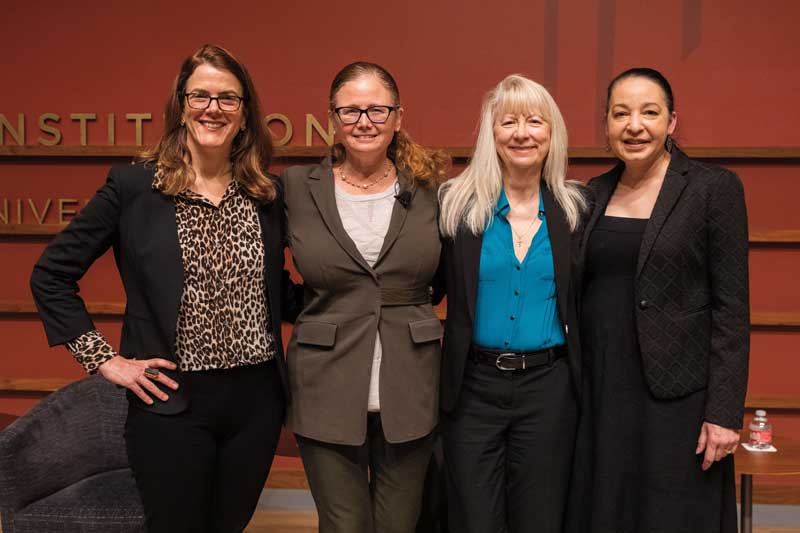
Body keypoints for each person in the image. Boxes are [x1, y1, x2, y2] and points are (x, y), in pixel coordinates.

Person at [30, 44, 289, 533]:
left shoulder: (265, 194)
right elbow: (50, 275)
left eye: (228, 98)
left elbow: (278, 290)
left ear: (245, 112)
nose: (213, 108)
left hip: (256, 403)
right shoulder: (134, 189)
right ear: (181, 105)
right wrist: (103, 360)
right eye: (201, 96)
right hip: (171, 400)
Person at [572, 67, 749, 532]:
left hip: (679, 401)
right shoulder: (591, 194)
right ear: (606, 124)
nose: (635, 125)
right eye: (621, 114)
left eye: (650, 112)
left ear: (671, 122)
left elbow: (732, 310)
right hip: (602, 390)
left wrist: (724, 414)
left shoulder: (713, 189)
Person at [280, 61, 450, 533]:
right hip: (324, 381)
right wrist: (316, 312)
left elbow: (450, 274)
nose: (364, 121)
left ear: (398, 117)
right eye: (350, 110)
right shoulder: (296, 188)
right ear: (332, 118)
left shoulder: (434, 190)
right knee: (344, 525)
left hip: (411, 383)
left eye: (377, 109)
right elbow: (263, 272)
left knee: (399, 524)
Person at [437, 74, 586, 533]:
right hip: (473, 389)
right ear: (491, 134)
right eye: (508, 122)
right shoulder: (455, 207)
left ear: (552, 133)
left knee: (540, 518)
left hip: (549, 389)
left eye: (534, 121)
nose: (522, 133)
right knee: (474, 519)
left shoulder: (577, 210)